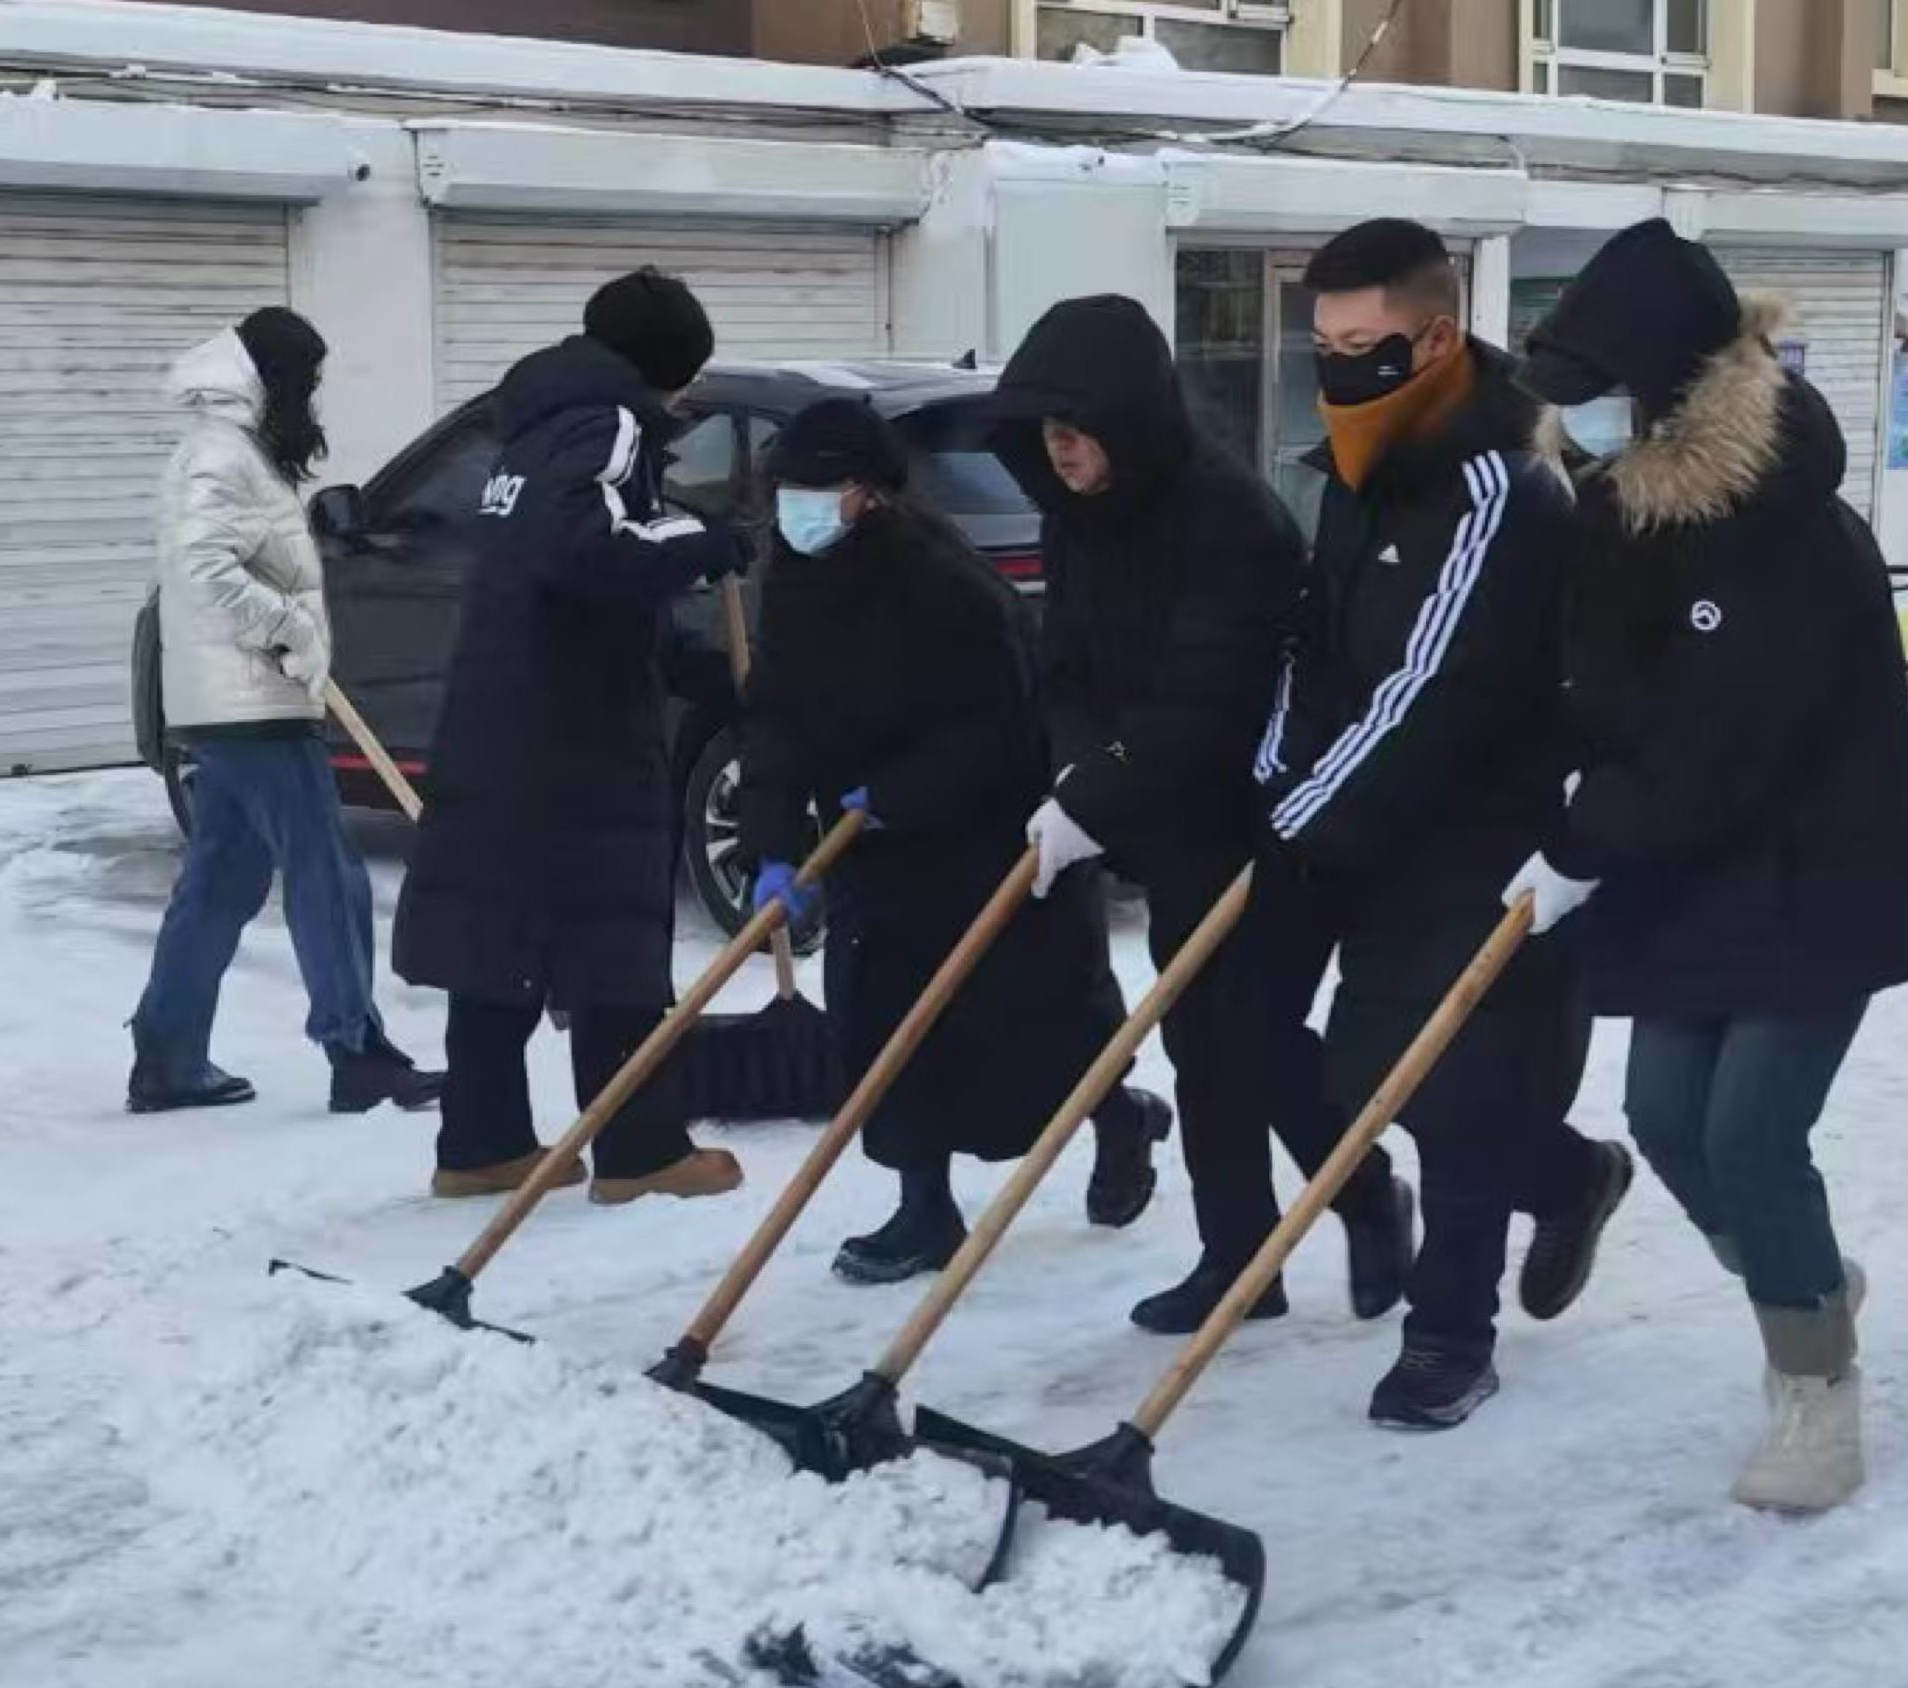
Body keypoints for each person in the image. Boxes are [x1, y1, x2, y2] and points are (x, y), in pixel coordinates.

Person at [1510, 219, 1908, 1511]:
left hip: (1819, 873)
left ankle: (1814, 1387)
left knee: (1751, 1129)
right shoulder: (1614, 513)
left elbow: (1727, 736)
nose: (1577, 422)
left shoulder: (1783, 526)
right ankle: (1797, 1270)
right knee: (1662, 1119)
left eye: (1596, 393)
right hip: (1688, 867)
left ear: (1665, 388)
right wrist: (1544, 798)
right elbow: (1591, 691)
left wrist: (1587, 838)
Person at [1260, 219, 1631, 1432]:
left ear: (1430, 335)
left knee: (1459, 1079)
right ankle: (1570, 1173)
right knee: (1368, 1069)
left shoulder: (1495, 476)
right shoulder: (1358, 467)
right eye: (1320, 342)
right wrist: (1278, 776)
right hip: (1383, 823)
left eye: (1363, 344)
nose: (1337, 366)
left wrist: (1308, 811)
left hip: (1495, 822)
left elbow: (1436, 682)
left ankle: (1447, 1335)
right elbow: (1316, 649)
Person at [991, 294, 1416, 1338]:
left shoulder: (1226, 520)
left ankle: (1363, 1192)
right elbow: (1067, 673)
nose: (1059, 447)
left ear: (1128, 419)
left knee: (1254, 1040)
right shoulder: (1074, 515)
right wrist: (1084, 771)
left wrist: (1101, 786)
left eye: (1075, 426)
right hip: (1166, 816)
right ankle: (1239, 1260)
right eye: (1044, 430)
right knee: (1197, 1044)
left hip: (1266, 815)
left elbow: (1211, 698)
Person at [735, 397, 1161, 1282]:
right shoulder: (792, 580)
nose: (796, 506)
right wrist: (772, 842)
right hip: (874, 853)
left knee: (1033, 1023)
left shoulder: (945, 584)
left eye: (817, 488)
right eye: (787, 489)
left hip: (984, 839)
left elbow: (1004, 725)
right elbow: (774, 719)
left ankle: (1116, 1114)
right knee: (884, 1024)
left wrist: (898, 793)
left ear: (868, 494)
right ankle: (924, 1211)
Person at [393, 269, 752, 1205]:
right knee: (613, 929)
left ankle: (482, 1142)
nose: (683, 400)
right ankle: (640, 1149)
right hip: (576, 740)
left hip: (505, 717)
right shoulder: (612, 423)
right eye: (686, 376)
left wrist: (674, 659)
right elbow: (591, 548)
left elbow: (564, 581)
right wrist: (700, 537)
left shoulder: (533, 433)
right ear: (663, 364)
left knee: (499, 931)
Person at [128, 307, 442, 1117]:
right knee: (326, 875)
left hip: (242, 697)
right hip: (250, 703)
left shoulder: (239, 454)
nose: (314, 397)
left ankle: (166, 1054)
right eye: (307, 380)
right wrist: (291, 628)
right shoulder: (217, 455)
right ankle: (355, 1047)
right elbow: (201, 571)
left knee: (220, 884)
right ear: (271, 378)